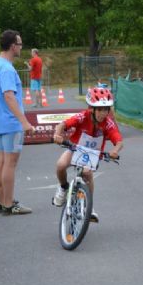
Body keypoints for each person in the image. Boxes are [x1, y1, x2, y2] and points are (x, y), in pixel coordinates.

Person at [52, 86, 123, 223]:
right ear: (91, 108)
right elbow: (63, 124)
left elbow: (118, 140)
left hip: (92, 154)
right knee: (61, 165)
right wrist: (58, 134)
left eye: (106, 109)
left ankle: (88, 206)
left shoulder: (108, 123)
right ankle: (63, 187)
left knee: (87, 173)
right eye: (100, 109)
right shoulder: (83, 116)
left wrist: (115, 150)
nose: (103, 113)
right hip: (75, 148)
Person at [0, 30, 35, 215]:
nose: (21, 47)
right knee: (10, 164)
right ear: (13, 46)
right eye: (20, 44)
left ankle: (2, 201)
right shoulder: (6, 68)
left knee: (0, 162)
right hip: (10, 123)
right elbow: (9, 96)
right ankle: (9, 204)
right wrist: (24, 122)